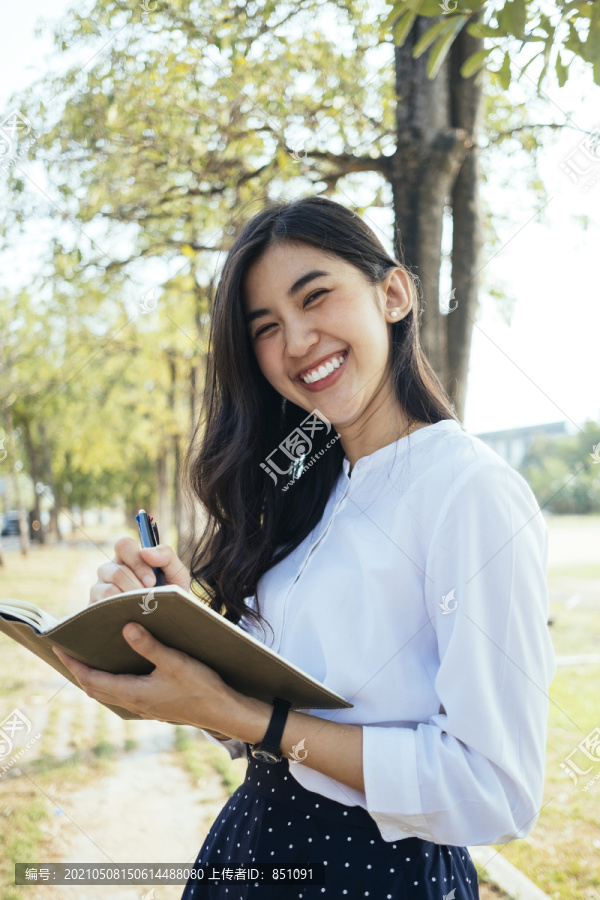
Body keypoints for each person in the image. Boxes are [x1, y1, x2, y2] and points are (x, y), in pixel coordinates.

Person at [53, 196, 556, 899]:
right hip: (251, 854)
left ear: (393, 293)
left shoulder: (468, 491)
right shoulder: (310, 493)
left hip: (372, 878)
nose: (295, 342)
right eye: (266, 328)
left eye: (315, 297)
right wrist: (181, 630)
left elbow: (494, 789)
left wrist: (250, 719)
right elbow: (262, 730)